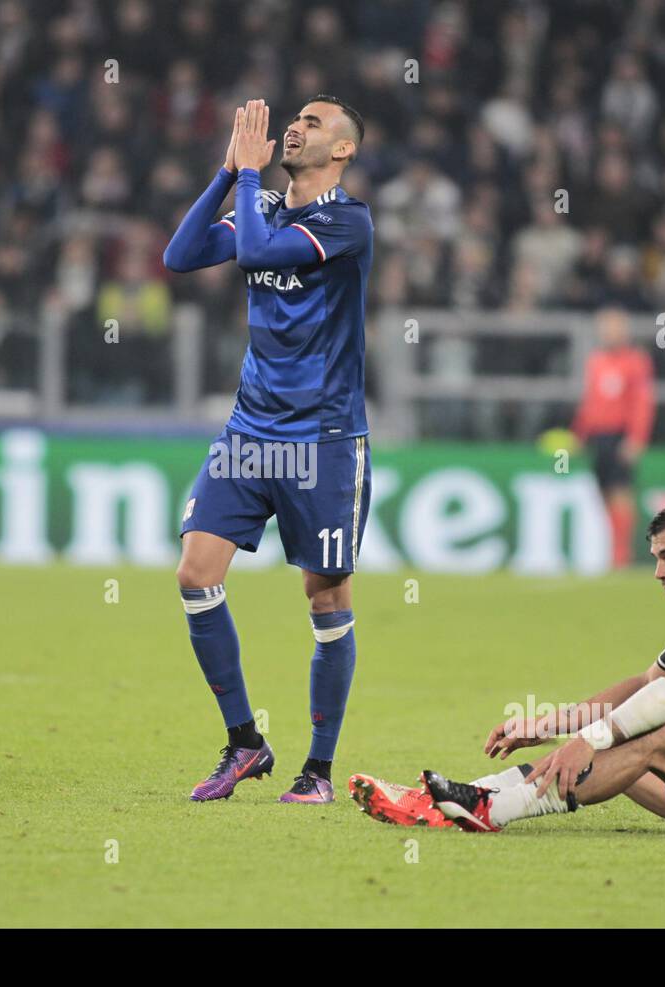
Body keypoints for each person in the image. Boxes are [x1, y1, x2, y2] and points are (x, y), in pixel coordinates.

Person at [351, 497, 665, 838]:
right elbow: (645, 686)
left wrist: (590, 739)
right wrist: (545, 727)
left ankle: (490, 811)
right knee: (634, 729)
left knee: (654, 732)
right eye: (656, 558)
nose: (659, 572)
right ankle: (457, 798)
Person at [163, 96, 374, 803]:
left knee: (326, 598)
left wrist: (250, 180)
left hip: (324, 440)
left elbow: (253, 252)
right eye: (297, 119)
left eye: (314, 123)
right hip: (251, 433)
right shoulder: (267, 208)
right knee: (195, 572)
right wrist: (228, 173)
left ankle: (317, 771)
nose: (296, 126)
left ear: (342, 150)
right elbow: (182, 254)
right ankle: (246, 743)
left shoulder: (347, 221)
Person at [571, 306, 655, 568]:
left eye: (614, 327)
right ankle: (613, 549)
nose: (609, 333)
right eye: (605, 328)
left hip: (621, 435)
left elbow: (642, 403)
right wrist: (578, 434)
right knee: (603, 493)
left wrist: (636, 438)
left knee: (620, 492)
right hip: (598, 436)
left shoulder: (636, 362)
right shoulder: (595, 361)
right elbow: (589, 403)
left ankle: (622, 553)